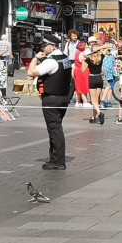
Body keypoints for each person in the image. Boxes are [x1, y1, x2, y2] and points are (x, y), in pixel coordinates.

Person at [27, 34, 71, 170]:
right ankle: (54, 157)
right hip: (63, 97)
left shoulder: (51, 61)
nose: (42, 48)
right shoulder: (65, 58)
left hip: (52, 98)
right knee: (56, 127)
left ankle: (58, 161)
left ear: (53, 46)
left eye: (44, 45)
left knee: (54, 129)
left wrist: (35, 58)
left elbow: (32, 72)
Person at [84, 37, 106, 124]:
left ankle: (100, 113)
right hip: (99, 78)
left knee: (93, 100)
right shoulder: (101, 57)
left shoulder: (88, 59)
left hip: (92, 78)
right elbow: (107, 47)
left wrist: (83, 61)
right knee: (97, 100)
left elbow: (83, 70)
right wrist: (100, 48)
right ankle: (93, 117)